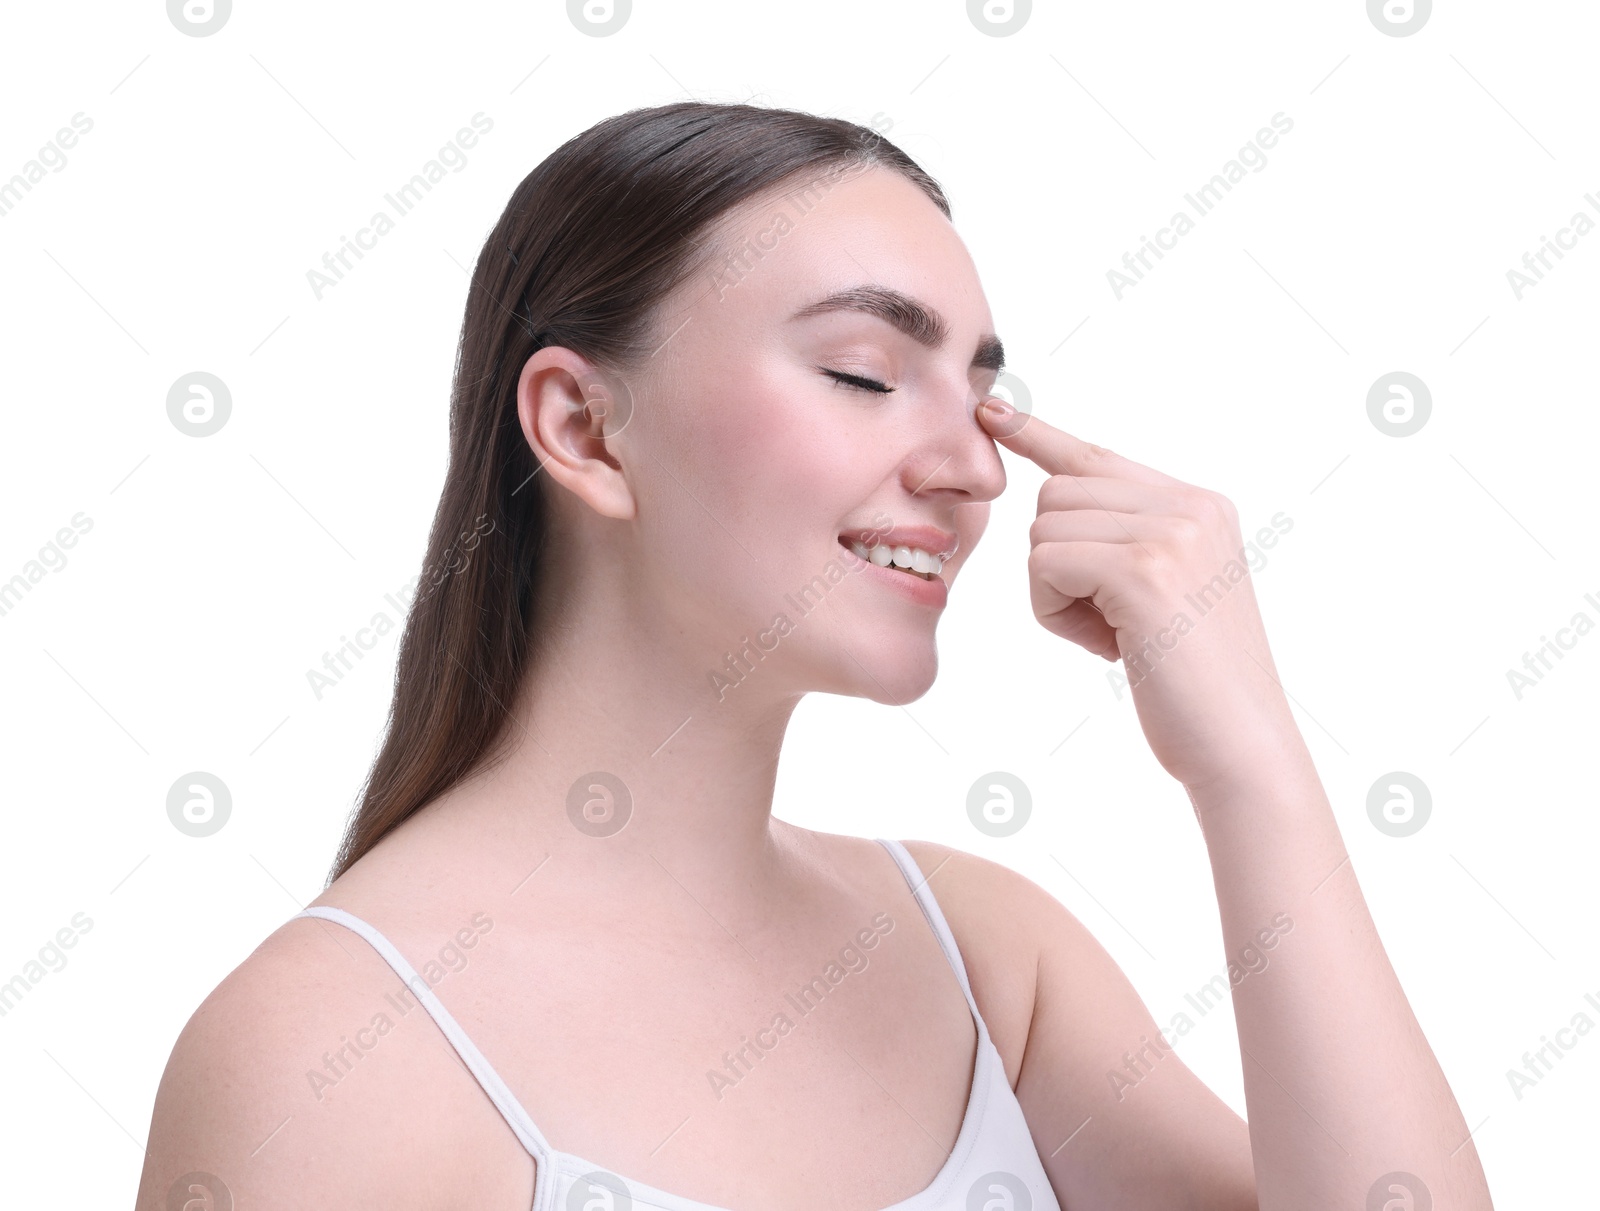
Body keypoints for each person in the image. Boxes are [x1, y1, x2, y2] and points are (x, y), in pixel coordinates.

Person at [135, 101, 1492, 1210]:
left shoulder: (987, 959)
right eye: (861, 371)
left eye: (983, 396)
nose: (971, 469)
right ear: (586, 431)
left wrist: (1248, 763)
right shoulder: (328, 1051)